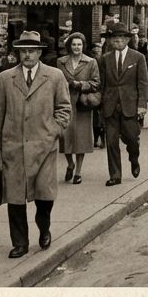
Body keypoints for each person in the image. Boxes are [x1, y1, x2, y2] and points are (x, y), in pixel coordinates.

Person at [0, 30, 71, 258]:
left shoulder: (54, 76)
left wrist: (54, 130)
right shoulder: (5, 78)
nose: (27, 55)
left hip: (44, 146)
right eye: (23, 51)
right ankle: (20, 243)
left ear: (39, 53)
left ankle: (43, 226)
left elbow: (65, 108)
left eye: (31, 51)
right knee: (15, 198)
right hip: (13, 147)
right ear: (18, 53)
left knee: (45, 195)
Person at [98, 22, 148, 186]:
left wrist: (142, 105)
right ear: (111, 41)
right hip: (110, 105)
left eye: (121, 38)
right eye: (114, 38)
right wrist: (101, 104)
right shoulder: (105, 59)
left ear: (127, 39)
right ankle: (115, 175)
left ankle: (134, 158)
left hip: (130, 105)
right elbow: (102, 83)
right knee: (111, 142)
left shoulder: (138, 57)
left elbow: (143, 83)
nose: (117, 41)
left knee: (132, 139)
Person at [57, 32, 100, 185]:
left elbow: (96, 83)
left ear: (83, 46)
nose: (77, 47)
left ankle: (78, 172)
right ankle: (70, 163)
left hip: (82, 104)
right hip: (65, 104)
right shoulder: (61, 62)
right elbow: (57, 82)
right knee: (65, 137)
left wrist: (81, 84)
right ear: (69, 46)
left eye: (79, 45)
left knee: (81, 138)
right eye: (74, 44)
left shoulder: (91, 62)